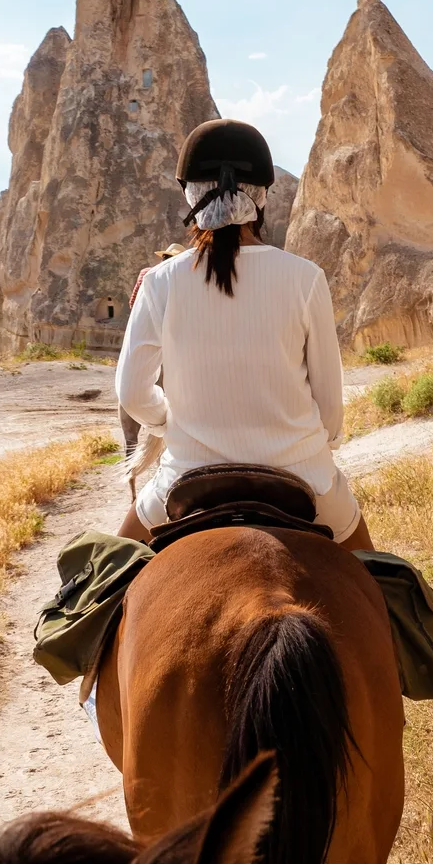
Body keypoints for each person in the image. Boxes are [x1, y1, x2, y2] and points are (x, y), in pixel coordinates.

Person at [115, 117, 373, 552]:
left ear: (191, 194)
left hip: (186, 477)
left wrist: (169, 421)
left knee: (101, 585)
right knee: (386, 585)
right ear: (262, 197)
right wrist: (306, 443)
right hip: (303, 474)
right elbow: (330, 407)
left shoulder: (160, 281)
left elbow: (132, 392)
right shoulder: (306, 277)